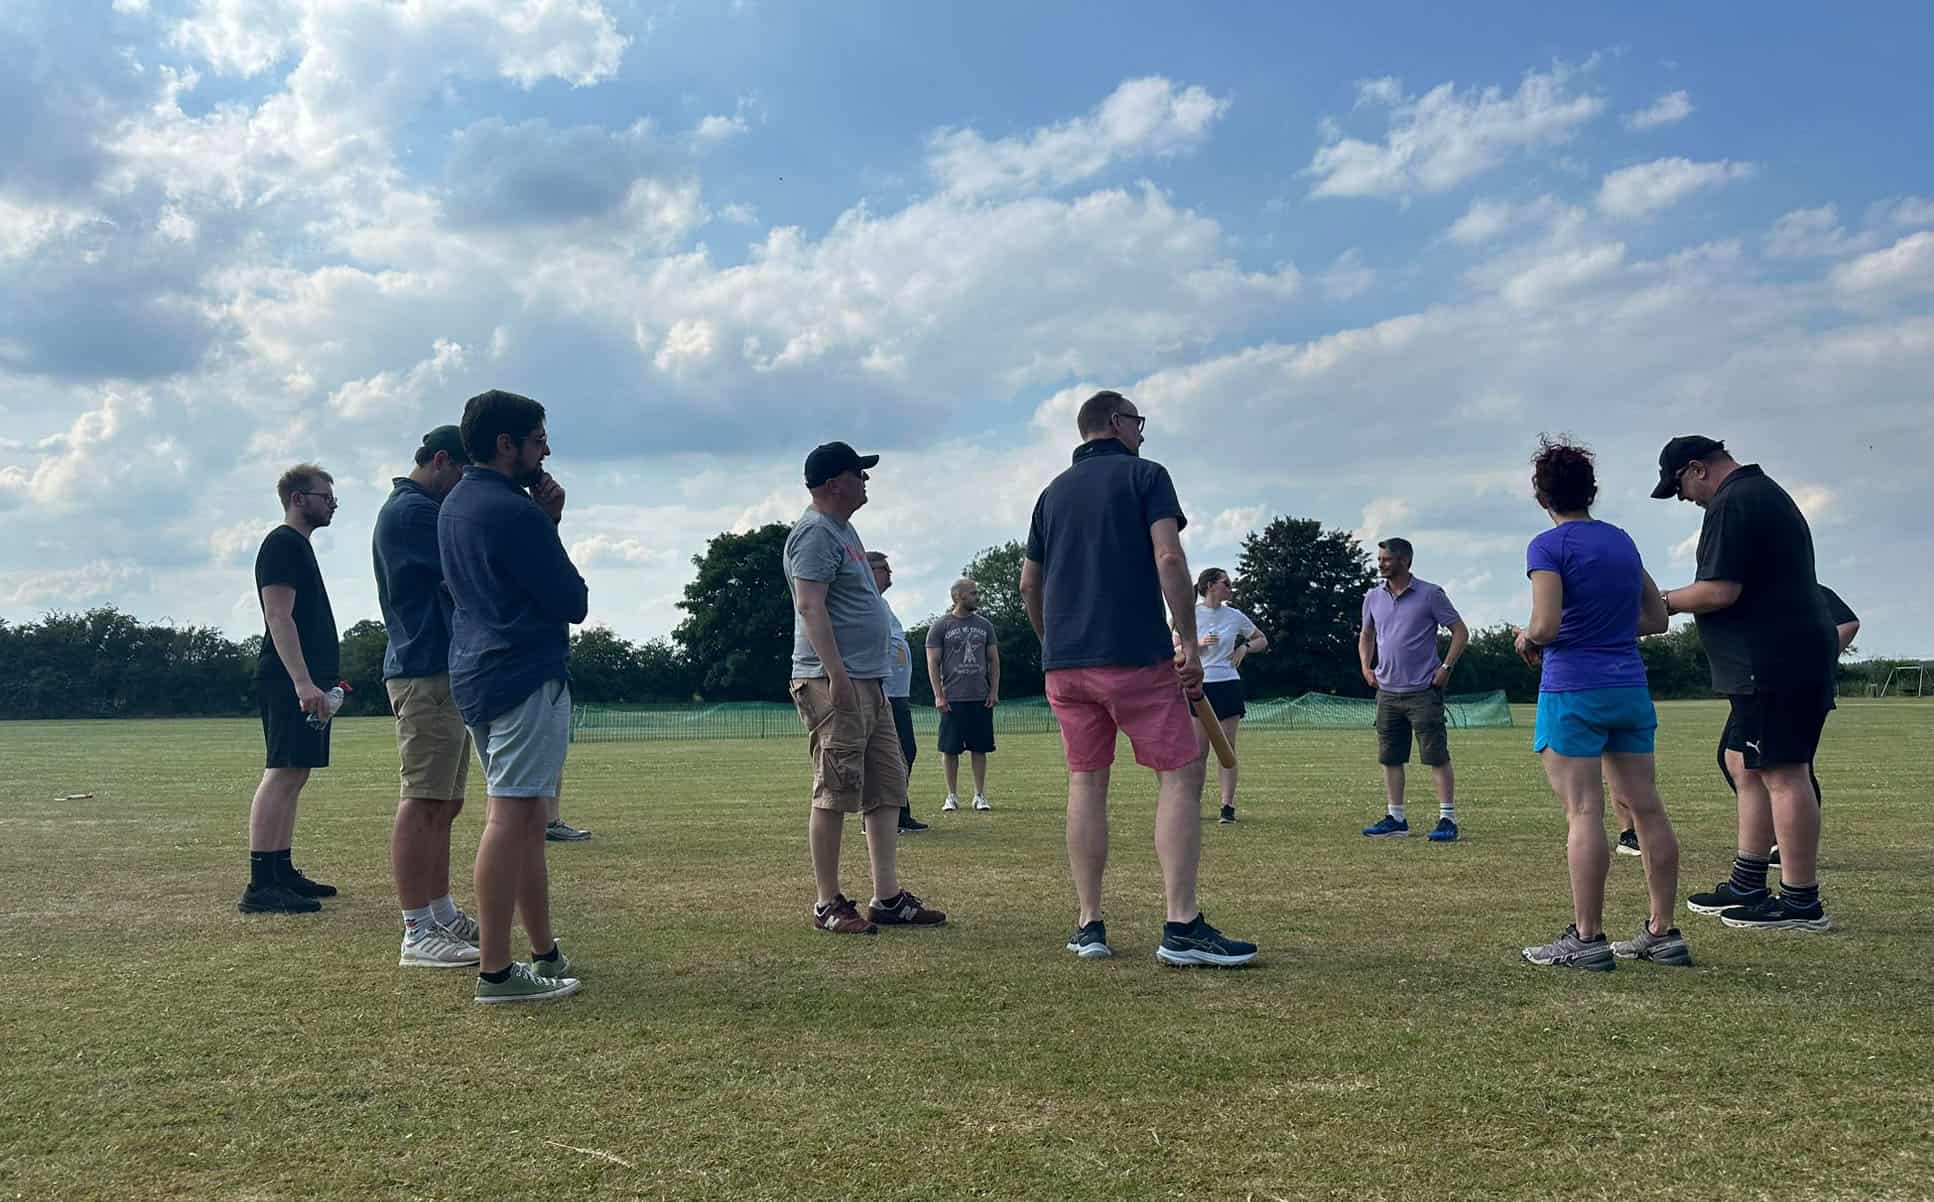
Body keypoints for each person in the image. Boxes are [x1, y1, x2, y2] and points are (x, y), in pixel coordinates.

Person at [1020, 390, 1257, 967]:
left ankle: (1089, 925)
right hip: (1135, 655)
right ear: (1114, 424)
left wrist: (1053, 645)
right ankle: (1181, 926)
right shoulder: (1147, 475)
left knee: (1086, 783)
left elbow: (1030, 584)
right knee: (1179, 776)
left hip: (1067, 663)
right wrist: (1186, 642)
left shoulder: (1050, 493)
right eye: (1137, 421)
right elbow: (1170, 559)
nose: (1143, 431)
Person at [1512, 438, 1688, 971]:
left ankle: (1586, 939)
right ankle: (1662, 931)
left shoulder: (1547, 546)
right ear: (1591, 491)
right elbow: (1656, 618)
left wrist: (1526, 640)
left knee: (1584, 811)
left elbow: (1544, 625)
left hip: (1573, 689)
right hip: (1628, 687)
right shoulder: (1622, 541)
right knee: (1648, 809)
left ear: (1542, 496)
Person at [1653, 436, 1836, 933]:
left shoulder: (1735, 501)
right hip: (1771, 658)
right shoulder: (1759, 494)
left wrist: (1659, 602)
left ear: (1698, 469)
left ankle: (1801, 902)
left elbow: (1719, 590)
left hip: (1774, 659)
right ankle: (1749, 881)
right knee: (1742, 761)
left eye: (1680, 487)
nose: (1685, 498)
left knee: (1784, 770)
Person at [440, 389, 588, 1003]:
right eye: (538, 438)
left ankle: (543, 952)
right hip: (523, 671)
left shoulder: (454, 504)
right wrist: (550, 524)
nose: (547, 449)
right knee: (511, 817)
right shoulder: (514, 512)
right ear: (508, 445)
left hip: (476, 670)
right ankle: (497, 973)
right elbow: (572, 600)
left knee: (525, 817)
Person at [784, 441, 947, 935]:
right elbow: (810, 606)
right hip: (835, 680)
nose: (866, 481)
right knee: (835, 788)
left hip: (868, 682)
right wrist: (835, 674)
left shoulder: (844, 530)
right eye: (859, 473)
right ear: (834, 482)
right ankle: (827, 902)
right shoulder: (813, 533)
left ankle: (888, 897)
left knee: (885, 788)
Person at [1612, 585, 1857, 859]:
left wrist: (1812, 660)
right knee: (1740, 760)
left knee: (1786, 768)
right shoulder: (1765, 586)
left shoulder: (1795, 585)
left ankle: (1786, 850)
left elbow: (1848, 622)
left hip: (1777, 683)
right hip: (1757, 685)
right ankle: (1773, 844)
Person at [374, 425, 482, 968]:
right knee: (422, 800)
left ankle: (439, 910)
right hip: (424, 670)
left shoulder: (415, 509)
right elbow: (468, 569)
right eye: (465, 474)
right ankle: (417, 928)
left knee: (444, 801)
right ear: (442, 461)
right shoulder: (414, 513)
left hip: (439, 669)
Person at [240, 464, 344, 914]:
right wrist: (302, 682)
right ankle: (261, 884)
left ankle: (281, 870)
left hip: (308, 680)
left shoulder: (298, 547)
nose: (332, 503)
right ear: (298, 498)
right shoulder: (281, 544)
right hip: (288, 680)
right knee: (281, 772)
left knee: (296, 772)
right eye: (326, 496)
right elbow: (278, 616)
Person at [1358, 537, 1469, 842]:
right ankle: (1396, 818)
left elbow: (1460, 632)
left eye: (1386, 559)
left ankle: (1447, 819)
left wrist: (1445, 667)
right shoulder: (1372, 597)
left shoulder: (1430, 594)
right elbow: (1366, 634)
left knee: (1435, 755)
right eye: (1379, 558)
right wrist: (1366, 667)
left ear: (1405, 561)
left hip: (1424, 690)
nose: (1380, 563)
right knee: (1390, 757)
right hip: (1387, 692)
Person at [1187, 567, 1268, 824]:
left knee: (1227, 750)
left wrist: (1245, 647)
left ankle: (1227, 808)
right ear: (1211, 586)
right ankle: (1192, 807)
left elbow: (1261, 640)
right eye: (1226, 583)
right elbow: (1174, 647)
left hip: (1228, 684)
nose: (1231, 587)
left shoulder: (1234, 616)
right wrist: (1198, 645)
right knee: (1198, 752)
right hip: (1199, 685)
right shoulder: (1189, 614)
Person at [926, 578, 1001, 813]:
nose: (977, 596)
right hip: (952, 698)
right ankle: (952, 796)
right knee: (950, 749)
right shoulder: (941, 626)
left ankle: (979, 795)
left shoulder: (985, 625)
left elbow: (994, 661)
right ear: (958, 596)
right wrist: (939, 695)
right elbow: (932, 662)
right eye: (973, 593)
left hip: (980, 696)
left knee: (980, 748)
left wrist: (994, 690)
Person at [867, 550, 928, 833]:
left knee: (905, 753)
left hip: (897, 694)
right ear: (870, 570)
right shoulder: (866, 602)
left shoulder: (882, 603)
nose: (890, 573)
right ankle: (877, 817)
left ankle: (900, 813)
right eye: (884, 568)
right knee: (889, 756)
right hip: (884, 693)